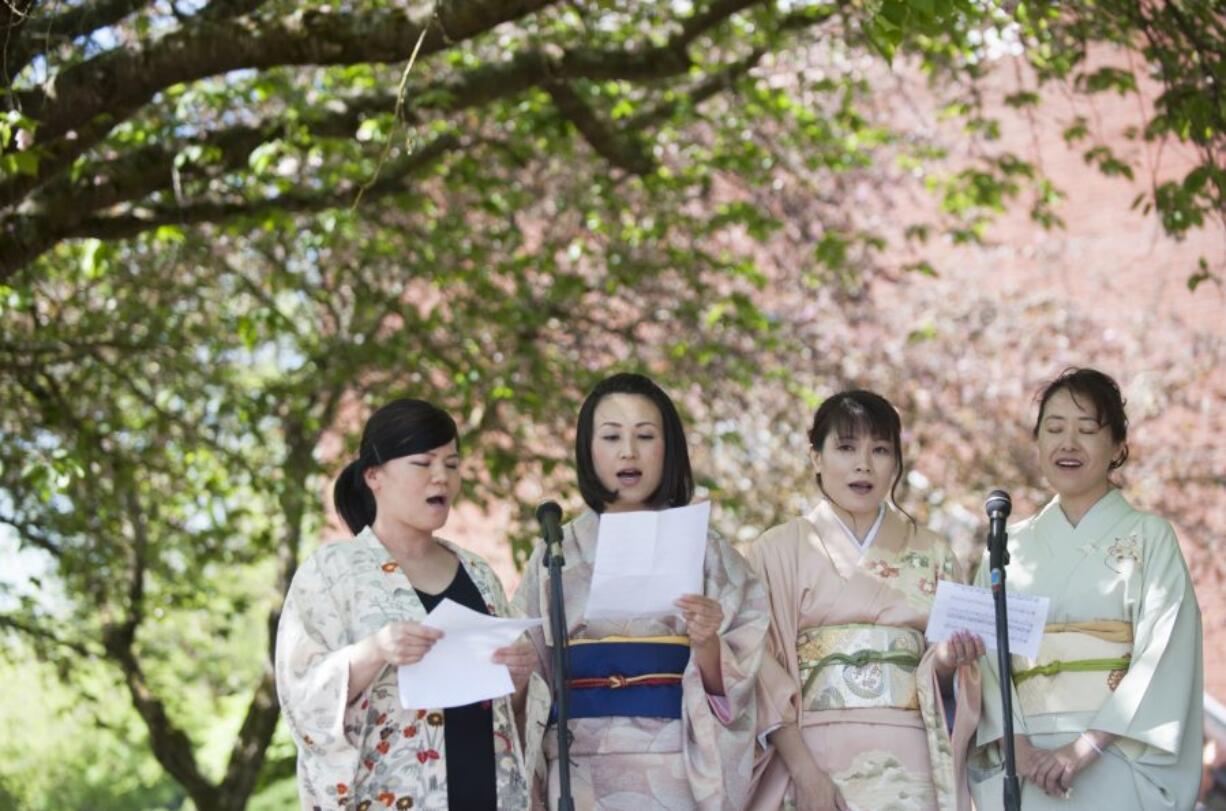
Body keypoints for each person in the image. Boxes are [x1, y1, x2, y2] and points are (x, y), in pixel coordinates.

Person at [512, 372, 769, 810]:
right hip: (577, 762)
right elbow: (528, 672)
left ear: (668, 448)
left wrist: (707, 642)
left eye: (645, 436)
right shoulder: (556, 551)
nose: (628, 452)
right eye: (611, 436)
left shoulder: (709, 552)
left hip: (676, 760)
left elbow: (739, 684)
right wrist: (511, 673)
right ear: (587, 450)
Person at [275, 398, 537, 810]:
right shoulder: (331, 572)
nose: (442, 478)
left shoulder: (479, 573)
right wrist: (374, 651)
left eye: (452, 464)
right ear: (374, 475)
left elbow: (510, 713)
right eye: (423, 463)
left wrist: (518, 680)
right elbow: (300, 697)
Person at [969, 368, 1204, 809]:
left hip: (1114, 754)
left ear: (1117, 446)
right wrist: (1021, 751)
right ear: (1037, 443)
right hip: (1026, 764)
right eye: (1054, 428)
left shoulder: (1150, 538)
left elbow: (1164, 652)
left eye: (1087, 430)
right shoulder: (1008, 548)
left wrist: (1086, 747)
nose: (1068, 443)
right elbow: (988, 663)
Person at [745, 389, 983, 811]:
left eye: (880, 450)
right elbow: (761, 670)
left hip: (908, 759)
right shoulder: (776, 550)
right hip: (811, 753)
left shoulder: (933, 552)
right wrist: (804, 771)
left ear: (896, 462)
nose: (864, 464)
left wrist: (945, 662)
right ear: (816, 457)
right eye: (846, 447)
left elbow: (952, 686)